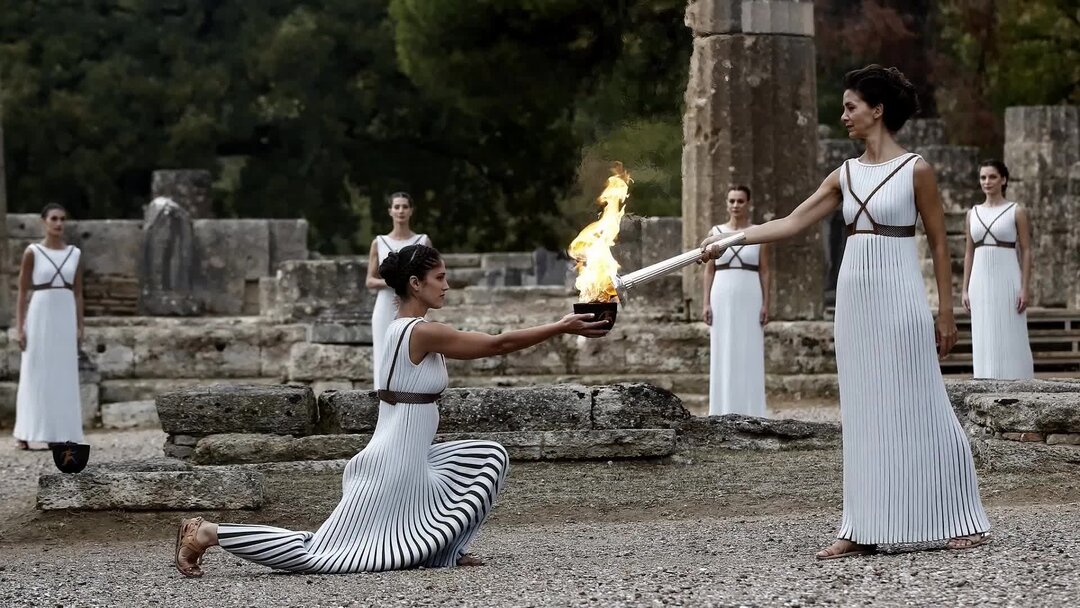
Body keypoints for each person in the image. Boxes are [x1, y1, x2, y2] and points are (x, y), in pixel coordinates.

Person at [174, 244, 609, 577]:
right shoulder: (419, 331)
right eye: (440, 277)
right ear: (416, 284)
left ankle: (442, 550)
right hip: (392, 465)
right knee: (325, 556)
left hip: (410, 458)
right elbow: (497, 344)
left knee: (488, 457)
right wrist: (562, 325)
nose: (446, 284)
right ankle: (207, 532)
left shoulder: (400, 330)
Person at [701, 65, 991, 558]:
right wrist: (732, 239)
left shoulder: (917, 169)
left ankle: (960, 514)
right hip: (854, 302)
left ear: (877, 111)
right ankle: (860, 526)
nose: (844, 116)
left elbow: (942, 244)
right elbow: (792, 222)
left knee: (920, 402)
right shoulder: (844, 174)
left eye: (851, 107)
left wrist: (946, 311)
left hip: (900, 296)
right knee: (860, 410)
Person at [13, 203, 85, 450]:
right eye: (54, 219)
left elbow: (78, 293)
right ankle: (25, 431)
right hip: (40, 314)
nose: (58, 224)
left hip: (64, 316)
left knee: (62, 375)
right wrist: (19, 327)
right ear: (44, 221)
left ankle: (60, 432)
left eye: (62, 219)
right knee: (35, 372)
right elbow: (22, 292)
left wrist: (80, 326)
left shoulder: (74, 253)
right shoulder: (32, 252)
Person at [962, 160, 1035, 379]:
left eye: (992, 177)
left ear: (1003, 180)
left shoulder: (1016, 211)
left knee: (1011, 333)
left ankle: (1019, 384)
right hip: (980, 282)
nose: (987, 182)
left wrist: (1025, 288)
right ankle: (986, 381)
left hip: (1008, 279)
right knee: (984, 335)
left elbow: (1027, 250)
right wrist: (964, 289)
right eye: (983, 177)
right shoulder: (972, 214)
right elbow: (969, 252)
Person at [702, 185, 770, 416]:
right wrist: (705, 303)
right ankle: (721, 409)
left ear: (748, 203)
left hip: (750, 293)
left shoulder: (758, 232)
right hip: (722, 292)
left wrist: (766, 304)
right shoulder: (716, 231)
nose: (735, 205)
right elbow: (709, 270)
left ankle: (753, 410)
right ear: (726, 203)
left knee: (749, 347)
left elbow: (765, 270)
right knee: (724, 346)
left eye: (740, 201)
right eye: (731, 201)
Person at [366, 192, 432, 387]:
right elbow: (370, 280)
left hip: (413, 305)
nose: (401, 211)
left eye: (404, 206)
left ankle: (411, 392)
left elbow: (430, 277)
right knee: (383, 352)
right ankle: (382, 395)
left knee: (412, 349)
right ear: (390, 211)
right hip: (385, 305)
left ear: (411, 211)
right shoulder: (379, 242)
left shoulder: (423, 241)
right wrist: (395, 282)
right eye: (397, 207)